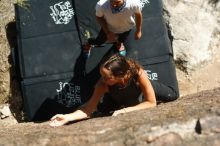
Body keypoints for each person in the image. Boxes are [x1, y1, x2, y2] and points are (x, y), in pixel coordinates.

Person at [50, 54, 159, 127]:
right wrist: (67, 117)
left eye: (107, 77)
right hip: (116, 101)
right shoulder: (102, 84)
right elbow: (88, 109)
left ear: (120, 75)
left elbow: (151, 102)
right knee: (103, 110)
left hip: (136, 96)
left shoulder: (137, 73)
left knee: (171, 95)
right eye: (101, 75)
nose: (102, 79)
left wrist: (125, 111)